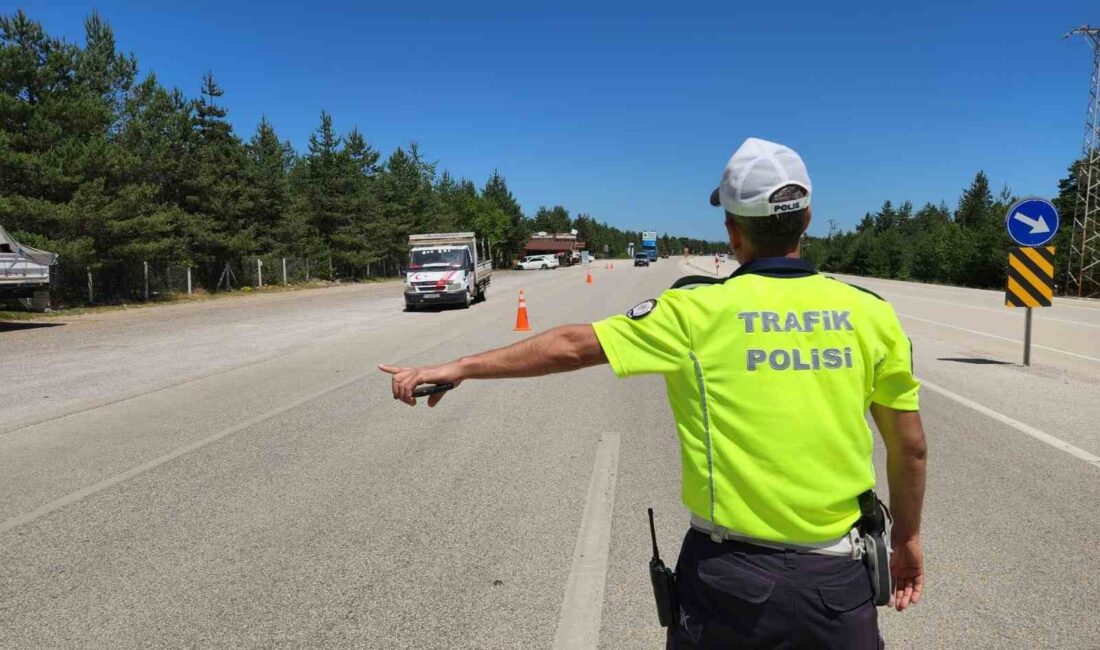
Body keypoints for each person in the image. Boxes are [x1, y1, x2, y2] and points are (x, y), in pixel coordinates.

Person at [381, 137, 927, 648]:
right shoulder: (870, 314)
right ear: (806, 219)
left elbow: (572, 345)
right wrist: (906, 538)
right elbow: (910, 448)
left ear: (734, 230)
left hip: (731, 583)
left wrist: (461, 366)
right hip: (838, 584)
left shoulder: (693, 311)